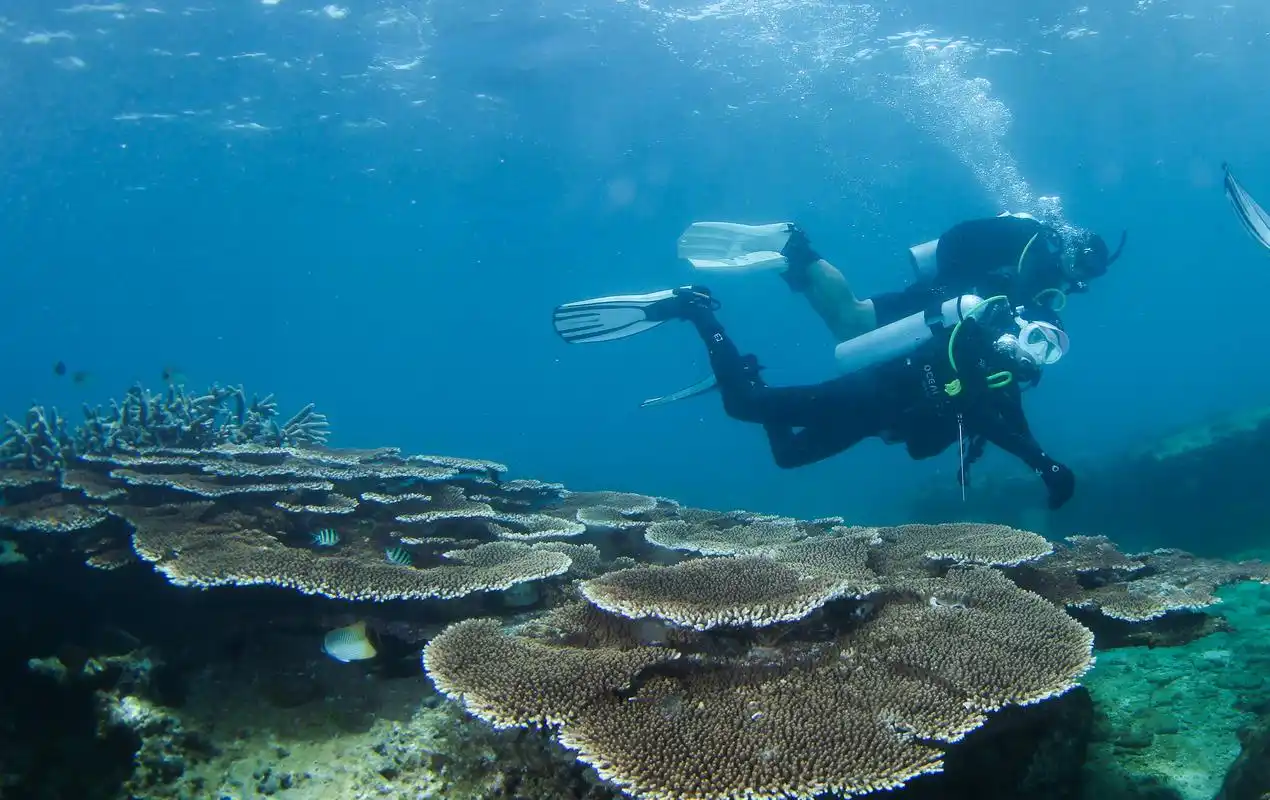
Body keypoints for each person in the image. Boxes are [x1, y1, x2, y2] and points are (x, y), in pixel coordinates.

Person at [552, 284, 1076, 509]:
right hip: (859, 395)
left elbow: (1011, 423)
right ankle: (697, 311)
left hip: (869, 422)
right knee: (741, 407)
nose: (1036, 355)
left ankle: (747, 378)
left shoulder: (1004, 381)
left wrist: (1045, 465)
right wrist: (1045, 465)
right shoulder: (971, 342)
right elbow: (985, 418)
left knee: (788, 456)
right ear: (1020, 327)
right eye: (1037, 340)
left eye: (1050, 353)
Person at [677, 214, 1127, 342]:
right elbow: (1005, 281)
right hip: (955, 277)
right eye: (1082, 265)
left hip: (961, 279)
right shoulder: (1038, 248)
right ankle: (798, 249)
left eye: (1090, 274)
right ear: (1073, 250)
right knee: (855, 321)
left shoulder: (1050, 269)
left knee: (846, 329)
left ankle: (794, 265)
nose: (1080, 276)